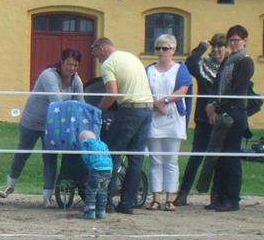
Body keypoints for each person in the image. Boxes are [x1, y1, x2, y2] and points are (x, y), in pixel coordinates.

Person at [0, 49, 84, 206]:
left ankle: (47, 195)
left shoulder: (76, 80)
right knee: (23, 152)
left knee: (50, 158)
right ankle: (9, 186)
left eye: (75, 65)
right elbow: (56, 101)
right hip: (32, 121)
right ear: (62, 62)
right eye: (69, 64)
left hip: (53, 125)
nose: (72, 68)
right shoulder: (48, 75)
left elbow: (81, 103)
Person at [90, 37, 151, 214]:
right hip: (147, 109)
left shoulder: (108, 64)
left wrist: (97, 110)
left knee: (112, 154)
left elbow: (112, 94)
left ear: (101, 47)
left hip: (129, 111)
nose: (97, 58)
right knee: (136, 158)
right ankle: (128, 203)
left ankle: (106, 201)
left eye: (95, 53)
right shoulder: (131, 57)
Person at [205, 25, 255, 212]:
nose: (233, 43)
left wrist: (216, 106)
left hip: (235, 112)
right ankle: (220, 196)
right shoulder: (227, 60)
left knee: (231, 157)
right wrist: (212, 106)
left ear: (244, 41)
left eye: (236, 40)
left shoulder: (246, 61)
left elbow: (237, 89)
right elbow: (218, 84)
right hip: (222, 110)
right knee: (220, 156)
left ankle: (232, 198)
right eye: (231, 40)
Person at [175, 34, 229, 206]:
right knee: (196, 155)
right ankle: (183, 193)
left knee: (219, 158)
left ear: (226, 48)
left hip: (223, 119)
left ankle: (216, 195)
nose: (217, 50)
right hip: (203, 118)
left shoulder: (230, 67)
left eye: (221, 46)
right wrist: (201, 48)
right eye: (215, 46)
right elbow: (189, 63)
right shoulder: (203, 66)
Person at [144, 34, 192, 211]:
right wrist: (155, 104)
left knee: (171, 159)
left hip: (172, 118)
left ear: (173, 50)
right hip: (154, 117)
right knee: (155, 160)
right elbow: (143, 88)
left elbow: (182, 90)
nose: (161, 52)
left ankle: (170, 198)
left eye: (165, 48)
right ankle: (155, 197)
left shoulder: (180, 69)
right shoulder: (149, 69)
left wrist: (164, 101)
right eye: (158, 48)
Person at [77, 129, 113, 220]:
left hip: (96, 169)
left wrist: (89, 167)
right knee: (103, 191)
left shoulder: (86, 144)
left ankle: (90, 212)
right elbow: (109, 156)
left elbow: (85, 157)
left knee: (91, 190)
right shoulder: (103, 144)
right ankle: (101, 211)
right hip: (107, 169)